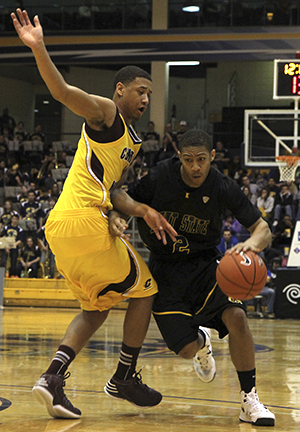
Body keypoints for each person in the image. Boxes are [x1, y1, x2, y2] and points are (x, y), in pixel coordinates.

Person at [11, 8, 177, 419]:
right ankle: (124, 374)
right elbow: (64, 92)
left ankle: (51, 377)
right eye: (140, 90)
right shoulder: (105, 112)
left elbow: (113, 190)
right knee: (147, 290)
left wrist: (139, 211)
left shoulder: (130, 143)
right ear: (120, 90)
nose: (145, 99)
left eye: (149, 95)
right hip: (83, 220)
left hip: (64, 226)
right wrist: (39, 48)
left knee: (96, 308)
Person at [110, 129, 275, 427]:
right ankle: (202, 343)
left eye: (201, 160)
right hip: (165, 270)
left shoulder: (222, 185)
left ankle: (249, 399)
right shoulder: (161, 176)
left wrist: (252, 244)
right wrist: (120, 215)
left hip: (206, 266)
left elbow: (262, 228)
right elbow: (121, 196)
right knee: (186, 350)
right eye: (188, 160)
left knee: (237, 317)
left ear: (212, 157)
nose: (195, 167)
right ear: (180, 158)